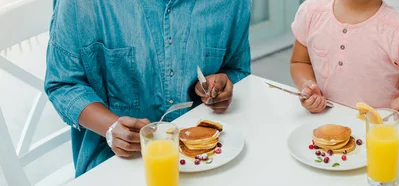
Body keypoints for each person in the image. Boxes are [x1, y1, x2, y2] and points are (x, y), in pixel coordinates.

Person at [44, 0, 251, 177]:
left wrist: (221, 84)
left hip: (212, 159)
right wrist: (110, 127)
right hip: (114, 163)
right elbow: (63, 83)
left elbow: (237, 70)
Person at [290, 0, 399, 123]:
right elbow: (299, 62)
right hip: (323, 124)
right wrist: (307, 86)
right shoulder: (311, 12)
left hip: (379, 132)